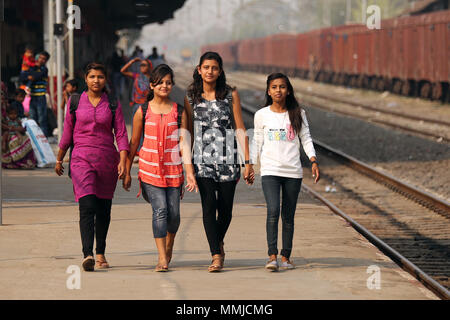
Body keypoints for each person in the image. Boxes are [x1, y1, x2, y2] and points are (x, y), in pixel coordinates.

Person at [55, 62, 129, 272]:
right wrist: (60, 158)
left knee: (103, 209)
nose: (96, 80)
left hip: (107, 161)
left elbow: (121, 133)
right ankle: (87, 253)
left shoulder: (112, 103)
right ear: (85, 79)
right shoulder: (75, 101)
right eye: (92, 77)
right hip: (81, 159)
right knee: (87, 205)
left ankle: (100, 252)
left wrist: (124, 161)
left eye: (100, 77)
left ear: (106, 80)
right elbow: (68, 132)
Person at [123, 64, 197, 272]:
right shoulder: (142, 111)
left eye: (168, 82)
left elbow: (184, 142)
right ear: (152, 85)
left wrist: (189, 172)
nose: (165, 86)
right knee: (161, 211)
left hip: (173, 171)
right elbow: (134, 142)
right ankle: (162, 257)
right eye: (160, 82)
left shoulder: (179, 112)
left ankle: (170, 243)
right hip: (149, 171)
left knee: (174, 215)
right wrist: (127, 170)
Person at [185, 52, 254, 272]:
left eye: (214, 68)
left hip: (229, 160)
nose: (210, 71)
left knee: (225, 210)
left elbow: (240, 127)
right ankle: (216, 254)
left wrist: (248, 162)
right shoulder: (190, 97)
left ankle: (218, 241)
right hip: (202, 161)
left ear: (220, 71)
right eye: (206, 67)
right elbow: (187, 132)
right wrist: (187, 166)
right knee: (208, 207)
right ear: (199, 69)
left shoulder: (231, 95)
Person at [251, 73, 320, 272]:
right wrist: (250, 165)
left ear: (288, 90)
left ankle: (286, 257)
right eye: (274, 87)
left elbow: (306, 138)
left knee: (288, 215)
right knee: (273, 210)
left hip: (293, 172)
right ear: (268, 91)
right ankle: (272, 256)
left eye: (282, 87)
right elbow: (257, 141)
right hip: (270, 170)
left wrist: (313, 160)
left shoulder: (298, 113)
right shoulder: (262, 115)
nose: (278, 90)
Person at [121, 57, 152, 153]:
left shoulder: (152, 79)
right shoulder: (137, 76)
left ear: (149, 67)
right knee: (136, 129)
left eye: (144, 65)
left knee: (145, 129)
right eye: (141, 65)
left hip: (147, 106)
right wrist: (132, 61)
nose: (142, 67)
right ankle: (136, 150)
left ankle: (143, 150)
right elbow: (123, 71)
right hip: (136, 106)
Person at [19, 51, 51, 137]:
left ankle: (44, 138)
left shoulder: (44, 69)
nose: (41, 60)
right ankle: (34, 138)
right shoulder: (32, 68)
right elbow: (22, 78)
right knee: (33, 118)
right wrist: (29, 76)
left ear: (46, 61)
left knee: (42, 119)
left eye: (44, 59)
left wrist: (30, 76)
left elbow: (36, 76)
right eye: (40, 57)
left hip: (41, 97)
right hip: (32, 97)